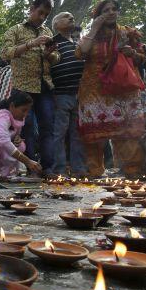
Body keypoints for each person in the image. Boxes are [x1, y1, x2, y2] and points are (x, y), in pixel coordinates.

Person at [75, 0, 146, 178]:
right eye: (106, 10)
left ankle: (132, 172)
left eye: (114, 9)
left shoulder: (128, 33)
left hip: (123, 88)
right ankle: (95, 172)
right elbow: (81, 53)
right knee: (94, 133)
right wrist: (93, 29)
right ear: (98, 15)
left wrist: (133, 54)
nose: (111, 12)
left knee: (127, 131)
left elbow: (142, 58)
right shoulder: (91, 35)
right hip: (94, 90)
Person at [0, 0, 59, 176]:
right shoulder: (15, 30)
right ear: (31, 9)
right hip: (23, 88)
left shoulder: (48, 32)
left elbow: (57, 58)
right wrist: (30, 44)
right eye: (40, 12)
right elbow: (5, 54)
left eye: (46, 15)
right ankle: (31, 168)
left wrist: (50, 54)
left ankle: (47, 168)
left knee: (48, 127)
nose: (42, 17)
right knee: (27, 128)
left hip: (45, 87)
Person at [50, 11, 87, 177]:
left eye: (72, 16)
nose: (71, 17)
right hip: (61, 94)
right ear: (56, 25)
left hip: (78, 94)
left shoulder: (78, 43)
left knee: (77, 133)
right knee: (59, 133)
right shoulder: (53, 43)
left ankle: (78, 168)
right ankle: (59, 168)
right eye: (65, 16)